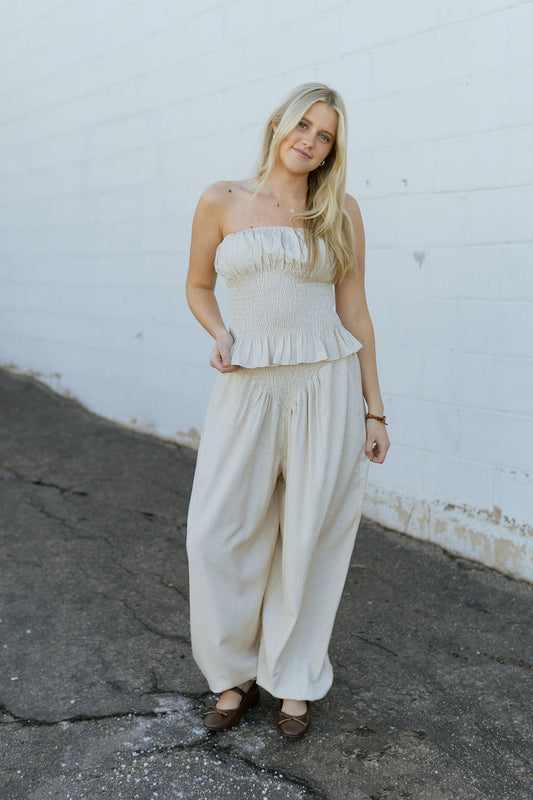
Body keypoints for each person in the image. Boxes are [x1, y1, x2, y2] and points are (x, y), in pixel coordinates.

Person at [185, 83, 389, 738]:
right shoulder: (221, 199)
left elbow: (354, 312)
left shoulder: (340, 211)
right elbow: (196, 285)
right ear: (277, 125)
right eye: (303, 124)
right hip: (245, 387)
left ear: (332, 149)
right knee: (216, 534)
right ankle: (231, 675)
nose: (309, 139)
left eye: (324, 134)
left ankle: (294, 680)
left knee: (308, 538)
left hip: (323, 388)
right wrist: (218, 331)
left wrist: (374, 411)